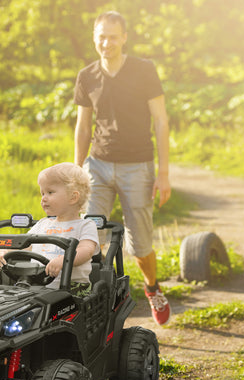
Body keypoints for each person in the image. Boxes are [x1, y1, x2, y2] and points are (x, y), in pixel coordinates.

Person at [73, 10, 171, 325]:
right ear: (94, 38)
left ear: (124, 37)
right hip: (97, 166)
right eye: (101, 36)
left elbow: (161, 119)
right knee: (90, 235)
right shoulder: (87, 76)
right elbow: (83, 126)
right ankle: (95, 301)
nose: (107, 43)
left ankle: (152, 288)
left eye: (113, 36)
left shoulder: (144, 70)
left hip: (138, 167)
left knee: (139, 244)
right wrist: (77, 170)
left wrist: (164, 172)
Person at [0, 162, 100, 291]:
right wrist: (5, 251)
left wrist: (64, 260)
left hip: (74, 288)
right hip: (38, 284)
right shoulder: (42, 224)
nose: (43, 198)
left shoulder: (85, 225)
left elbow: (86, 250)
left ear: (73, 197)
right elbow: (23, 245)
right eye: (42, 193)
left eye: (50, 192)